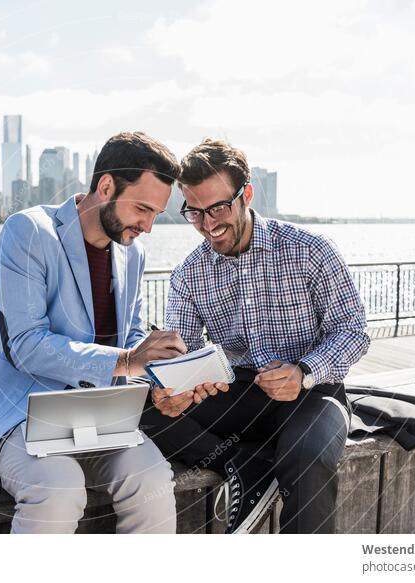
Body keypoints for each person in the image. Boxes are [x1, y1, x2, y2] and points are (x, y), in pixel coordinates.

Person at [0, 132, 189, 533]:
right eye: (142, 208)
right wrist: (126, 360)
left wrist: (163, 379)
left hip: (98, 416)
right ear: (106, 186)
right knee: (59, 486)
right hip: (19, 415)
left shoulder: (133, 252)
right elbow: (26, 345)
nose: (148, 226)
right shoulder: (28, 231)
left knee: (153, 478)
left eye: (156, 214)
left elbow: (130, 336)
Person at [140, 139, 371, 534]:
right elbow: (184, 355)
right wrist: (174, 387)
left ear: (246, 194)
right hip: (239, 394)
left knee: (307, 457)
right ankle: (244, 464)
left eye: (218, 208)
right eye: (194, 213)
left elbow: (353, 331)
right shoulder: (189, 274)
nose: (208, 225)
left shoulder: (310, 249)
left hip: (313, 392)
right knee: (142, 406)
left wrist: (304, 372)